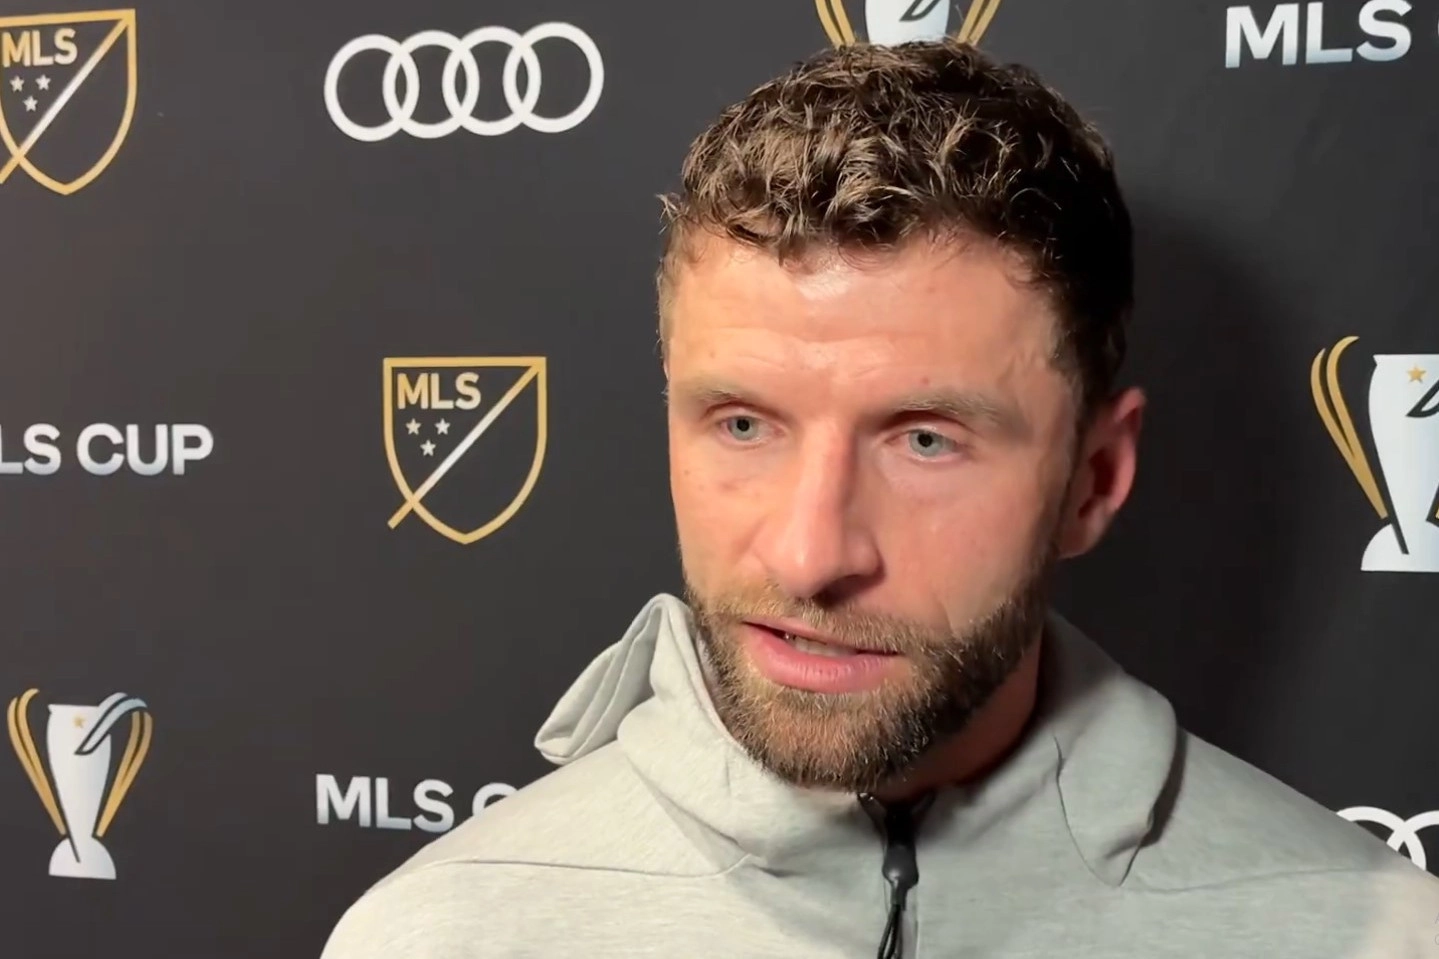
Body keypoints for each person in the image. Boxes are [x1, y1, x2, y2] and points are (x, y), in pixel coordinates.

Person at [320, 39, 1439, 958]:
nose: (810, 555)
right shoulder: (437, 934)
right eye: (743, 423)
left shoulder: (1378, 934)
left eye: (924, 440)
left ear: (1094, 479)